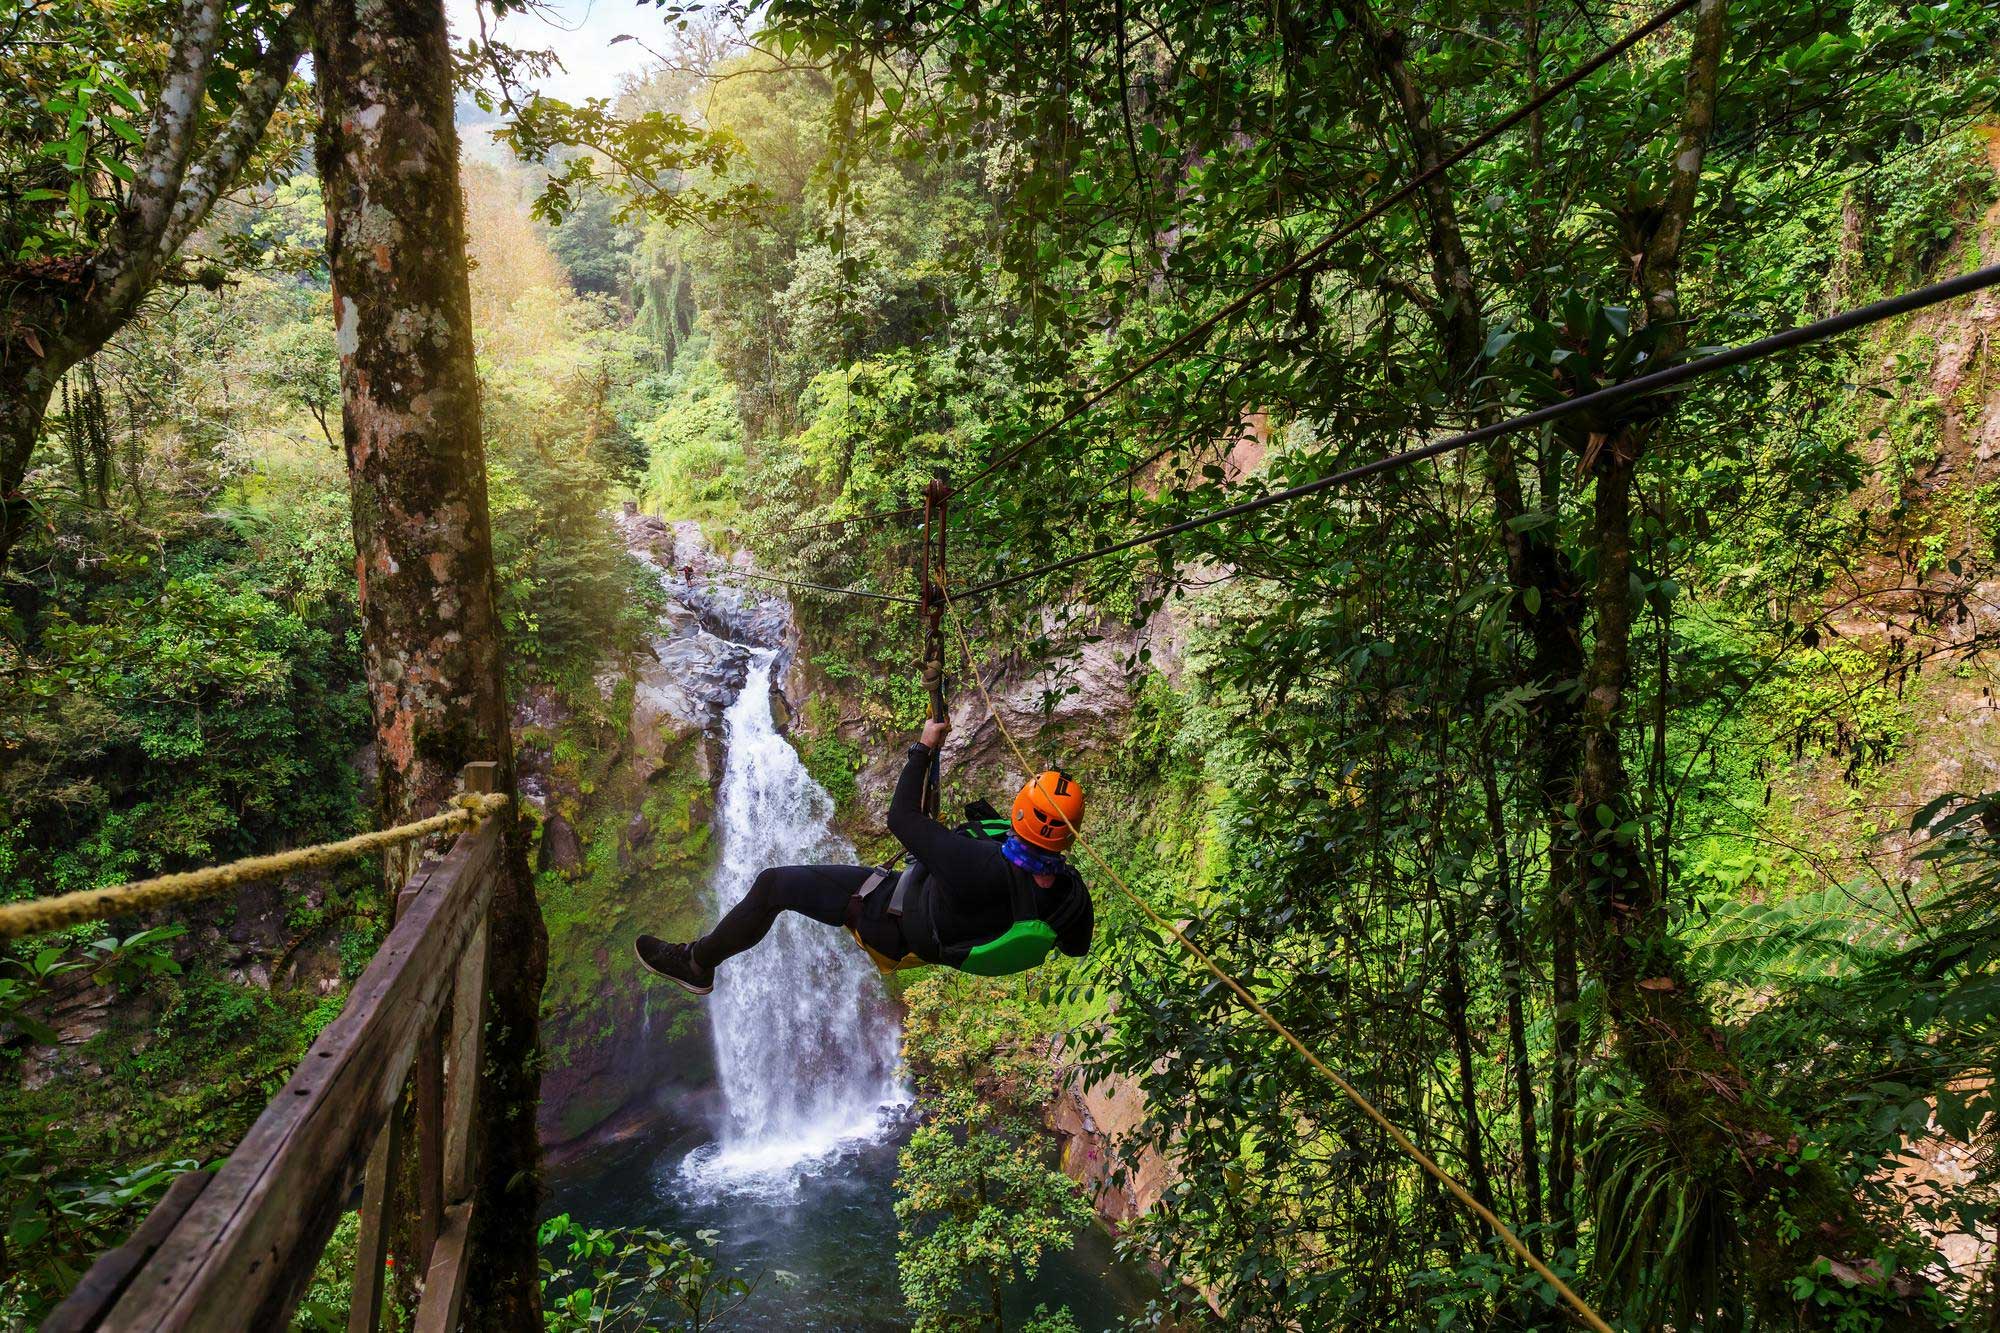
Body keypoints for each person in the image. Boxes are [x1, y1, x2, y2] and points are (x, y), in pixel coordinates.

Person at [636, 718, 1094, 994]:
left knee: (774, 885)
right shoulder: (1074, 898)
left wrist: (923, 748)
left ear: (1019, 814)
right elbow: (1074, 947)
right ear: (1068, 837)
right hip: (935, 935)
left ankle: (697, 962)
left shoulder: (974, 864)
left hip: (887, 916)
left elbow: (901, 818)